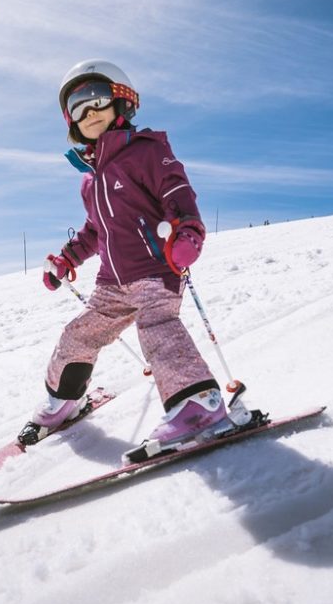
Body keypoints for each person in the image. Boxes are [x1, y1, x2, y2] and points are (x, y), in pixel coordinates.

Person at [20, 59, 244, 462]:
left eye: (96, 99)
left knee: (156, 327)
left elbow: (178, 193)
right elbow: (95, 230)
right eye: (76, 106)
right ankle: (65, 400)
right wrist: (68, 260)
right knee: (78, 334)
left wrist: (188, 231)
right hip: (111, 282)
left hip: (157, 270)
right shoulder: (90, 179)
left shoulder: (147, 151)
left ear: (122, 101)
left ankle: (199, 405)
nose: (88, 112)